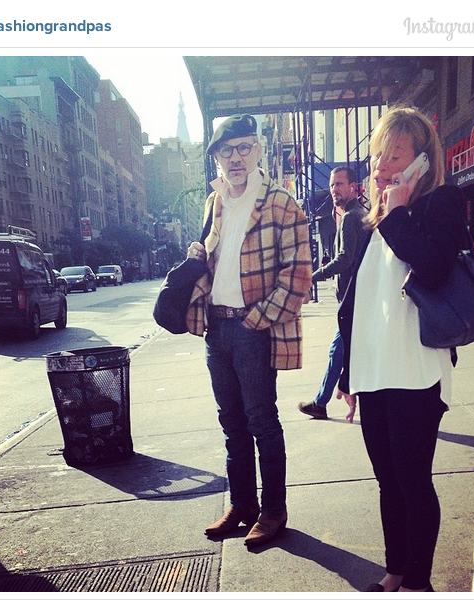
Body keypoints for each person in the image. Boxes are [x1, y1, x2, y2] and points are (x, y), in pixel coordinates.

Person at [336, 105, 470, 592]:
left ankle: (418, 584)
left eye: (395, 156)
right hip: (374, 372)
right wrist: (348, 374)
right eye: (378, 156)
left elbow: (433, 269)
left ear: (422, 162)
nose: (381, 166)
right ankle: (395, 572)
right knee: (387, 481)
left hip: (415, 371)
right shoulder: (373, 221)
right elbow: (363, 306)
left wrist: (397, 212)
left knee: (413, 481)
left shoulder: (440, 204)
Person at [185, 114, 312, 548]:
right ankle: (242, 505)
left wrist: (256, 320)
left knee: (262, 421)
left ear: (258, 150)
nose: (235, 157)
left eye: (244, 147)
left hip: (253, 328)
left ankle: (273, 510)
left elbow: (298, 276)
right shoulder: (214, 201)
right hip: (216, 329)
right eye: (227, 150)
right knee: (231, 423)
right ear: (216, 157)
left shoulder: (281, 203)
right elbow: (216, 262)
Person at [298, 167, 366, 421]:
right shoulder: (360, 214)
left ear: (353, 187)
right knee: (343, 352)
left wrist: (313, 276)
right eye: (332, 185)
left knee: (338, 351)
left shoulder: (350, 217)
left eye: (340, 184)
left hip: (353, 300)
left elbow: (344, 259)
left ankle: (321, 402)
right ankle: (323, 401)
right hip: (358, 298)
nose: (334, 190)